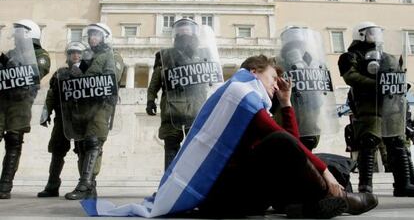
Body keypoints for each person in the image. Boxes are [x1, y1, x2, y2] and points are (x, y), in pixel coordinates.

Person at [82, 55, 378, 218]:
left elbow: (293, 145)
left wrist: (286, 103)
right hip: (224, 197)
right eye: (273, 78)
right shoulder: (239, 94)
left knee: (314, 156)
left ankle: (305, 206)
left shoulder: (255, 99)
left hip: (248, 194)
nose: (277, 85)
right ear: (253, 71)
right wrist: (326, 177)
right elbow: (284, 140)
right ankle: (333, 200)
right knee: (286, 147)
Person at [338, 21, 414, 196]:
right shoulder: (351, 56)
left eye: (377, 32)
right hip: (367, 104)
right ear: (361, 34)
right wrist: (377, 84)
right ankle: (366, 186)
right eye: (371, 32)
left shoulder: (386, 56)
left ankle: (404, 184)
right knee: (368, 141)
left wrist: (400, 84)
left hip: (390, 104)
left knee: (396, 142)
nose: (375, 35)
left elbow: (396, 74)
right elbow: (351, 77)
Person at [146, 18, 219, 170]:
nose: (184, 32)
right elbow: (155, 81)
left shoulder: (204, 53)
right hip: (172, 108)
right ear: (175, 34)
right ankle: (168, 184)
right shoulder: (164, 55)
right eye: (181, 30)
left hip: (197, 107)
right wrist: (150, 100)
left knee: (196, 147)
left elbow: (214, 80)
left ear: (194, 33)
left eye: (187, 29)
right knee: (171, 146)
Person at [64, 23, 124, 200]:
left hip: (100, 106)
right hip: (82, 106)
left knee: (93, 142)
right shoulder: (86, 58)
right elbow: (74, 76)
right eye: (90, 35)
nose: (92, 38)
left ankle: (83, 186)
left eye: (96, 35)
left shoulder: (112, 56)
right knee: (82, 146)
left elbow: (112, 79)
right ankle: (90, 187)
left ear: (105, 37)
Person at [0, 19, 50, 199]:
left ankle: (4, 185)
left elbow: (39, 72)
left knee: (14, 141)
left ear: (30, 34)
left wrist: (17, 66)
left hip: (21, 103)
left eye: (19, 34)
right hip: (2, 101)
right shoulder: (10, 53)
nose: (15, 38)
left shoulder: (41, 54)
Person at [37, 41, 90, 197]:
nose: (75, 55)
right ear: (68, 55)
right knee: (57, 150)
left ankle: (84, 186)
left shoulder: (89, 72)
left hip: (81, 118)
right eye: (72, 52)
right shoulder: (60, 73)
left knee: (82, 151)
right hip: (63, 116)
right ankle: (52, 185)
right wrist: (46, 112)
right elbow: (52, 94)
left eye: (79, 53)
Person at [278, 27, 337, 151]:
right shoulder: (279, 62)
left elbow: (321, 86)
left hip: (310, 108)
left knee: (309, 140)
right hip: (290, 107)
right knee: (292, 142)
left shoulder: (313, 61)